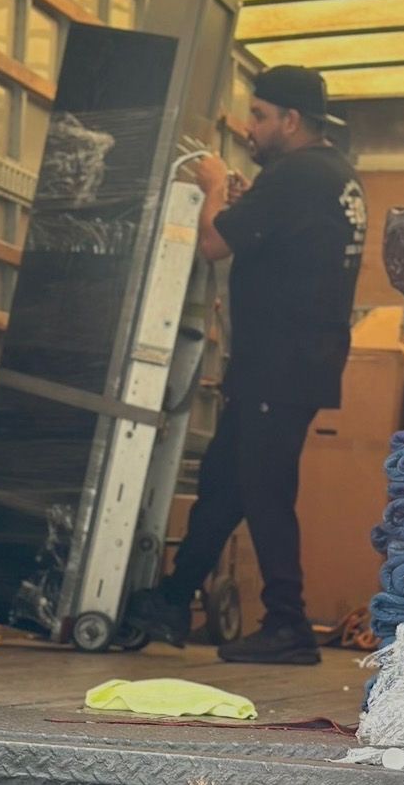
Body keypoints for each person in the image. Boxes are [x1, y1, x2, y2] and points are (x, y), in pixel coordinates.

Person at [127, 65, 367, 665]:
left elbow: (212, 242)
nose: (251, 129)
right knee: (225, 482)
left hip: (277, 362)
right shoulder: (334, 175)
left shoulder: (299, 175)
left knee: (263, 489)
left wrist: (211, 185)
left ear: (290, 120)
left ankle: (288, 623)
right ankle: (173, 601)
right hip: (293, 361)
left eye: (259, 117)